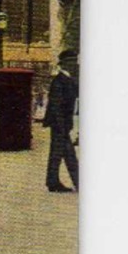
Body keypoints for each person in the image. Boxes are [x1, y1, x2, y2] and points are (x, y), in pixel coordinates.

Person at [43, 52, 79, 193]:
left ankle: (52, 182)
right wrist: (62, 126)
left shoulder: (68, 80)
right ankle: (79, 183)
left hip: (62, 124)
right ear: (65, 64)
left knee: (57, 154)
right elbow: (56, 106)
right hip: (60, 125)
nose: (75, 64)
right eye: (72, 62)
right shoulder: (59, 81)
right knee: (69, 155)